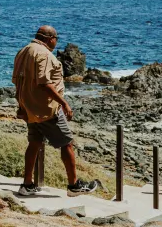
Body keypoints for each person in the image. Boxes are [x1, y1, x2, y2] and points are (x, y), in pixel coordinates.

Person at [12, 25, 98, 197]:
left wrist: (22, 104)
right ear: (50, 38)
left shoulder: (24, 51)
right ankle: (74, 185)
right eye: (56, 39)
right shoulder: (44, 54)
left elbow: (17, 80)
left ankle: (27, 184)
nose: (56, 42)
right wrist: (64, 103)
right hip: (47, 109)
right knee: (66, 143)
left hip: (29, 107)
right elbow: (43, 83)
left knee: (34, 142)